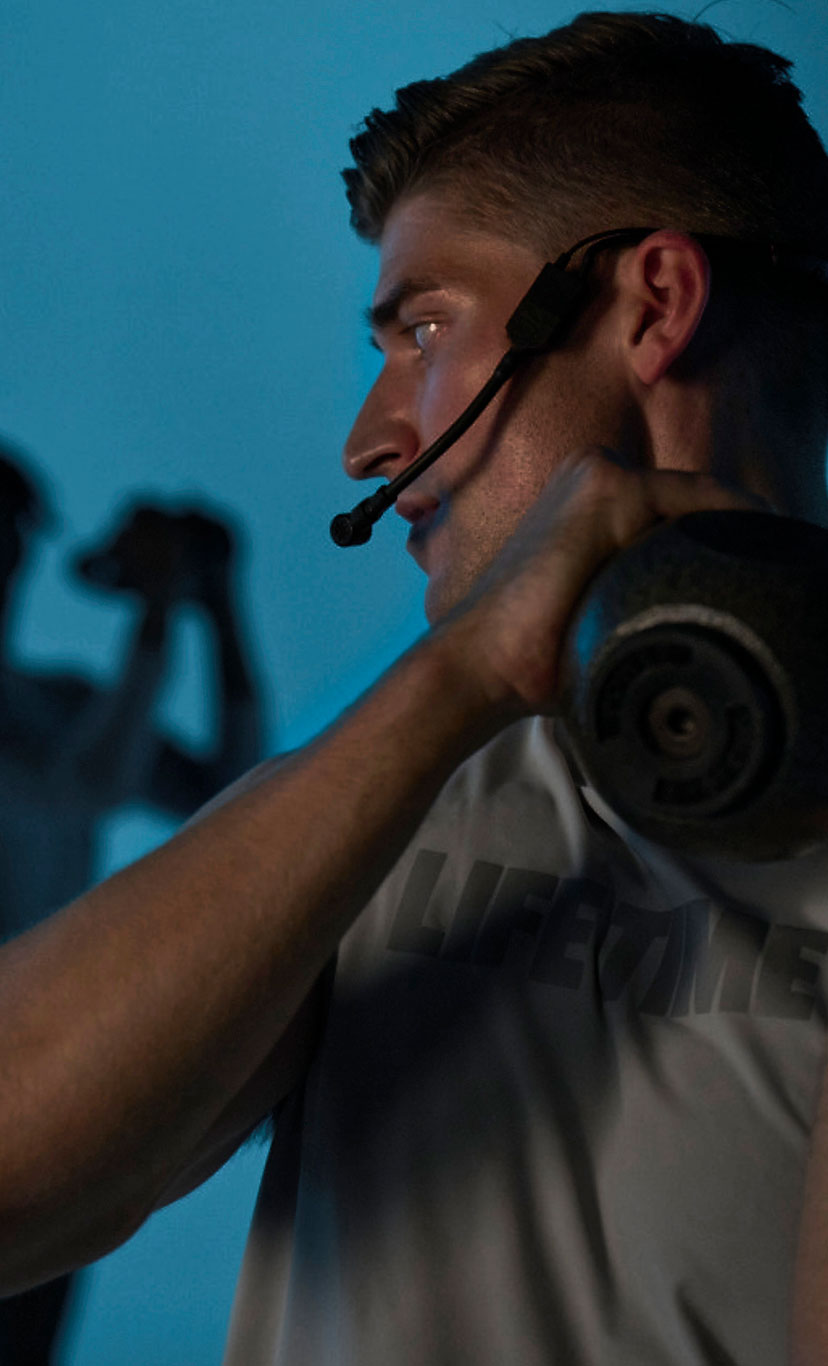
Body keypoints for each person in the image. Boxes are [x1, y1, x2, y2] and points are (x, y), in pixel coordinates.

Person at [0, 11, 826, 1365]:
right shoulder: (410, 771)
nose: (369, 441)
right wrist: (456, 681)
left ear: (653, 306)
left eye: (420, 329)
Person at [0, 449, 266, 1364]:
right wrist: (156, 616)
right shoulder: (64, 727)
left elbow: (233, 795)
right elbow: (85, 786)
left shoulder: (57, 702)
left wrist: (216, 604)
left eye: (7, 538)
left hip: (36, 1108)